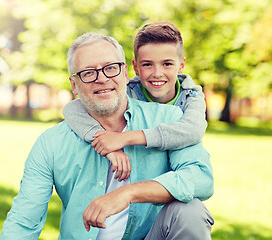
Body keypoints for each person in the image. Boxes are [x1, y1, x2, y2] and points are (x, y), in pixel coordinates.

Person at [0, 32, 214, 240]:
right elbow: (24, 220)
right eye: (88, 73)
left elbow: (201, 178)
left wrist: (128, 193)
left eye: (110, 68)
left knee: (190, 211)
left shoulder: (169, 118)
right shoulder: (52, 143)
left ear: (126, 74)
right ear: (74, 85)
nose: (101, 79)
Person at [63, 21, 207, 181]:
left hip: (177, 169)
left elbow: (194, 130)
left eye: (167, 64)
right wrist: (106, 144)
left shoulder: (191, 96)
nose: (157, 73)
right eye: (147, 64)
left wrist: (125, 138)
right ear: (135, 67)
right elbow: (72, 110)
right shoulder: (127, 90)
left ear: (181, 65)